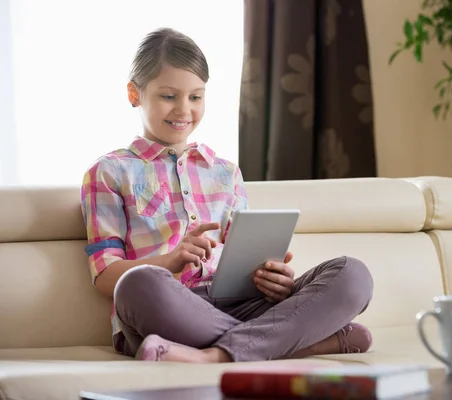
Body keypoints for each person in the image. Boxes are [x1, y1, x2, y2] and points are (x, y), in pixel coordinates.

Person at [80, 27, 374, 363]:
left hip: (245, 303)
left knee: (353, 274)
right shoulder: (107, 172)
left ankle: (213, 356)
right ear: (135, 94)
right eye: (168, 96)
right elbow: (106, 278)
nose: (183, 110)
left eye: (195, 97)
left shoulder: (226, 173)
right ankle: (298, 342)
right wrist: (171, 260)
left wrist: (273, 279)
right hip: (170, 306)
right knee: (137, 285)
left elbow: (243, 260)